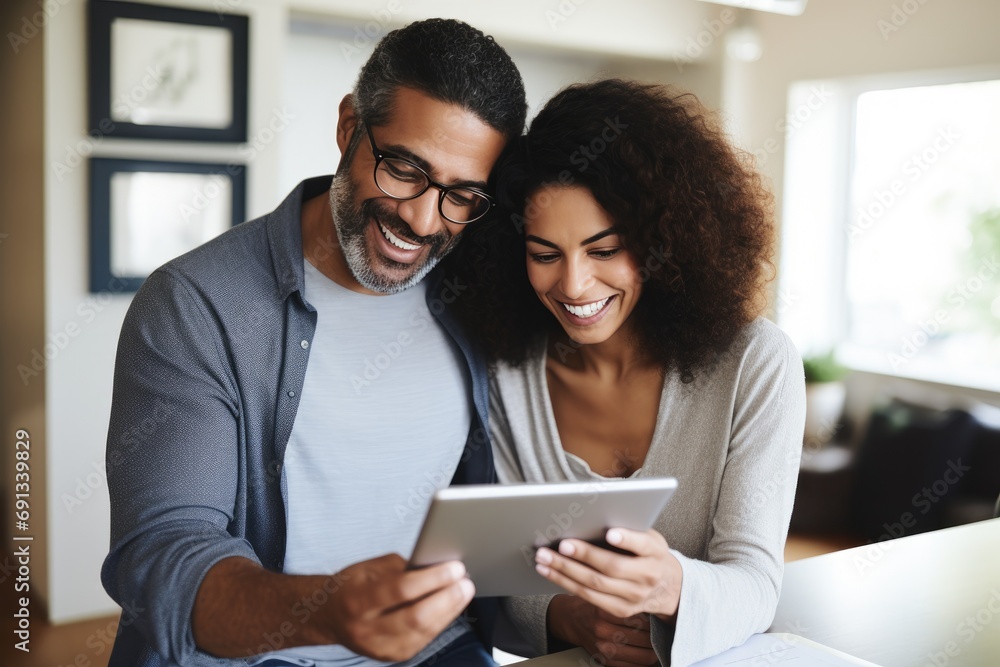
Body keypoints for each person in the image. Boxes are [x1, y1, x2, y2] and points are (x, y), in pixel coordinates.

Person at [101, 19, 526, 667]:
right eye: (405, 168)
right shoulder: (194, 304)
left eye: (461, 195)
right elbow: (162, 553)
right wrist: (325, 609)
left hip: (433, 650)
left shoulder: (480, 295)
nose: (420, 218)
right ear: (348, 124)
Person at [449, 79, 806, 666]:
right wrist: (570, 616)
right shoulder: (504, 375)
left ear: (666, 239)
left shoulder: (755, 365)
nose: (573, 286)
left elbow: (756, 582)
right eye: (544, 254)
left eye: (604, 249)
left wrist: (671, 588)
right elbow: (499, 570)